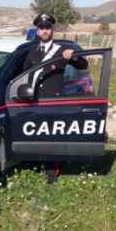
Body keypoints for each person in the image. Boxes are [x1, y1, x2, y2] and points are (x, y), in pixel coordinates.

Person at [23, 13, 88, 185]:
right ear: (37, 32)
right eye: (41, 28)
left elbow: (83, 65)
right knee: (38, 133)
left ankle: (52, 174)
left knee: (52, 137)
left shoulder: (60, 50)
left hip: (54, 100)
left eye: (48, 27)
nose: (45, 31)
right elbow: (24, 73)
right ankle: (37, 163)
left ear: (52, 30)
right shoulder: (32, 51)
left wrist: (72, 56)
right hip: (36, 99)